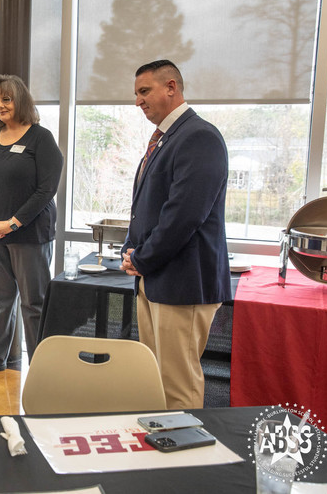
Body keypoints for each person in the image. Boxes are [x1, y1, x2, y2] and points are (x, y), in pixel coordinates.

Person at [120, 60, 231, 409]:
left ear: (171, 87)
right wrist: (131, 250)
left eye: (144, 91)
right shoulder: (167, 138)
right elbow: (147, 208)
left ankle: (185, 461)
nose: (138, 101)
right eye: (136, 94)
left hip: (184, 283)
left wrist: (142, 258)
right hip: (156, 278)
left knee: (178, 386)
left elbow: (184, 215)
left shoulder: (199, 136)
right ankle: (159, 451)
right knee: (155, 380)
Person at [0, 74, 63, 377]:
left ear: (20, 100)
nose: (0, 106)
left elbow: (46, 190)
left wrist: (13, 222)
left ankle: (40, 367)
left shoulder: (40, 138)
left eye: (6, 99)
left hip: (29, 234)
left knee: (34, 303)